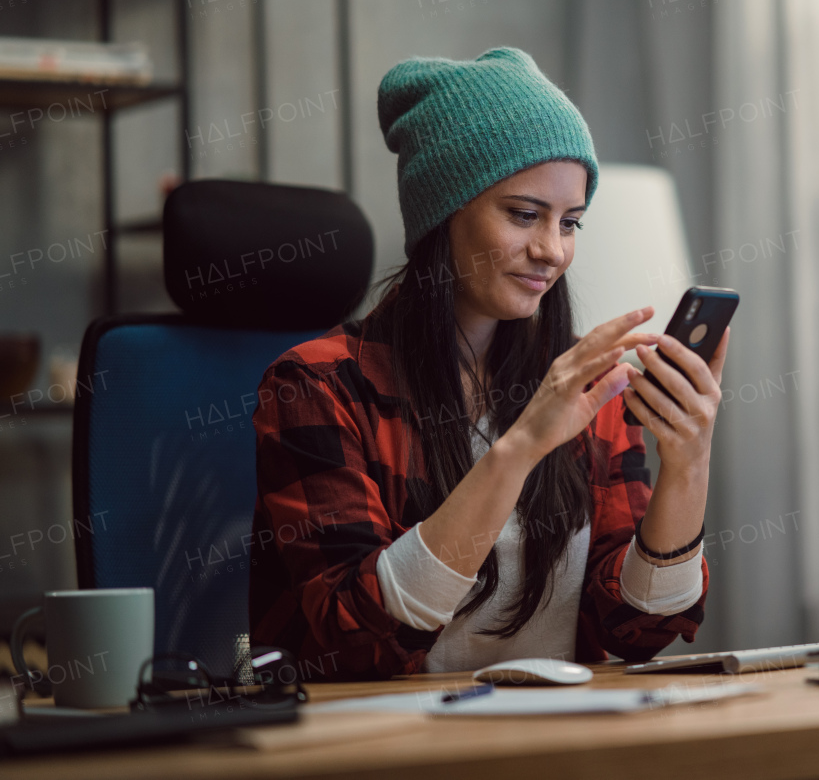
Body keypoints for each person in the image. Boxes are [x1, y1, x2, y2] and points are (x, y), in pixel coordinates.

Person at [247, 46, 730, 679]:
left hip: (555, 741)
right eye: (524, 215)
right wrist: (521, 445)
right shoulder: (315, 385)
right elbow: (361, 639)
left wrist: (689, 463)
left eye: (571, 222)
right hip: (387, 744)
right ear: (442, 215)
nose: (551, 250)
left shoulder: (583, 383)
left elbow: (640, 628)